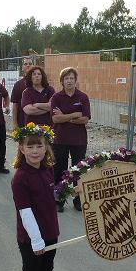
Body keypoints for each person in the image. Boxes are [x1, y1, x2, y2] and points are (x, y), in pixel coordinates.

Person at [10, 123, 60, 271]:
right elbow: (25, 211)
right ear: (22, 149)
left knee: (47, 270)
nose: (35, 151)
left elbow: (53, 193)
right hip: (31, 238)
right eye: (29, 147)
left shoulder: (48, 169)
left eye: (39, 146)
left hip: (50, 231)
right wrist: (36, 240)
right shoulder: (20, 178)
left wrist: (69, 191)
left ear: (46, 146)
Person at [50, 67, 90, 212]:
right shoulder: (56, 98)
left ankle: (78, 199)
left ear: (75, 80)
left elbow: (85, 119)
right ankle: (59, 199)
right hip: (59, 139)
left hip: (79, 140)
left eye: (72, 78)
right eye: (66, 78)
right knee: (59, 169)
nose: (69, 81)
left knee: (78, 170)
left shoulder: (83, 97)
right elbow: (55, 118)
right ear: (62, 81)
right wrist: (74, 114)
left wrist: (65, 117)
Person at [11, 56, 34, 129]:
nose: (28, 65)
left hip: (39, 122)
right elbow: (15, 105)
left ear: (33, 66)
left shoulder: (41, 83)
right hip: (22, 122)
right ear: (22, 67)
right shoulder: (18, 85)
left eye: (30, 63)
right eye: (25, 64)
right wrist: (14, 123)